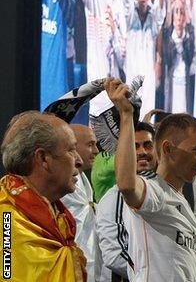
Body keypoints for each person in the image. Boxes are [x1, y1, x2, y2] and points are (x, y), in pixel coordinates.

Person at [107, 78, 196, 281]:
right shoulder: (155, 192)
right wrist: (127, 116)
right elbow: (127, 185)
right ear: (168, 149)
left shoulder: (179, 199)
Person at [0, 111, 86, 280]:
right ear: (43, 158)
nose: (79, 161)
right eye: (71, 150)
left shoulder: (58, 215)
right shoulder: (7, 221)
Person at [96, 122, 157, 281]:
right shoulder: (115, 197)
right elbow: (114, 255)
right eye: (134, 147)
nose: (142, 152)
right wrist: (155, 274)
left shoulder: (165, 190)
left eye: (148, 145)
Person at [122, 0, 165, 118]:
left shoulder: (153, 14)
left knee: (148, 123)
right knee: (131, 123)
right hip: (132, 80)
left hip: (148, 81)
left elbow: (161, 16)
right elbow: (123, 0)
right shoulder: (129, 14)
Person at [61, 124, 101, 282]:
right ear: (72, 147)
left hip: (90, 265)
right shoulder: (60, 183)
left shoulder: (83, 180)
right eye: (90, 145)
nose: (97, 151)